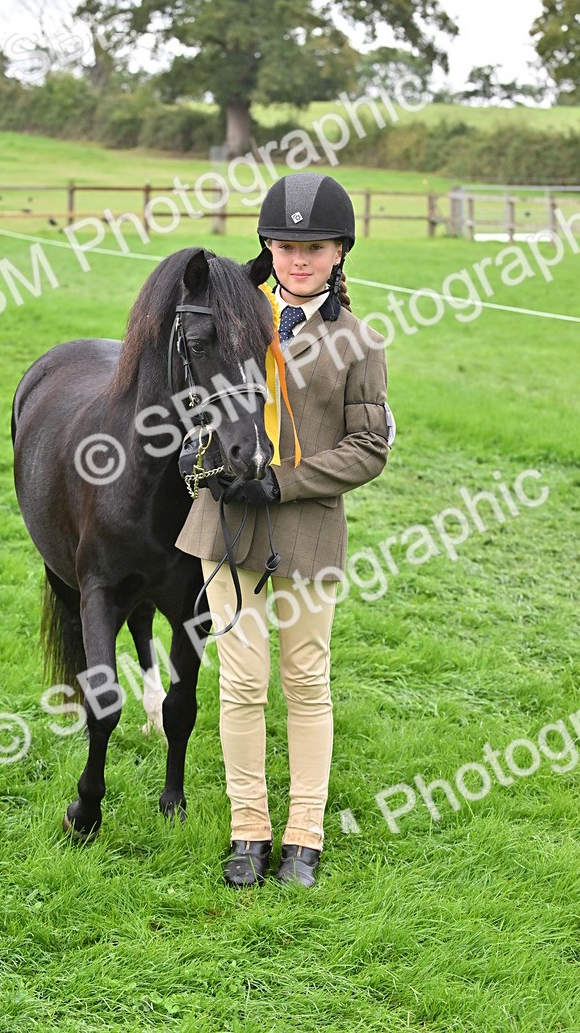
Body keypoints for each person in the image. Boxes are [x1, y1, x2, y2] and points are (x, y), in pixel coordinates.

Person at [176, 172, 395, 888]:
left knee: (305, 680)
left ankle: (304, 835)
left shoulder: (358, 341)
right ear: (267, 246)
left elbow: (369, 448)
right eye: (285, 244)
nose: (298, 259)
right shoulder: (232, 319)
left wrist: (283, 481)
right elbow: (189, 396)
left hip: (304, 528)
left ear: (339, 253)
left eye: (315, 246)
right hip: (227, 525)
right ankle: (249, 831)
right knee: (241, 684)